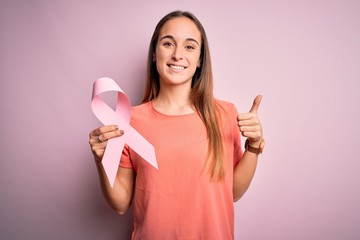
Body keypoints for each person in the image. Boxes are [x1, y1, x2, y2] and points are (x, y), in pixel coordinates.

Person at [89, 10, 265, 239]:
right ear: (154, 53)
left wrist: (254, 145)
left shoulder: (224, 114)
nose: (177, 55)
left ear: (200, 58)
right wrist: (101, 161)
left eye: (189, 46)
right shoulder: (129, 121)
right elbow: (120, 203)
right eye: (168, 43)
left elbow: (233, 192)